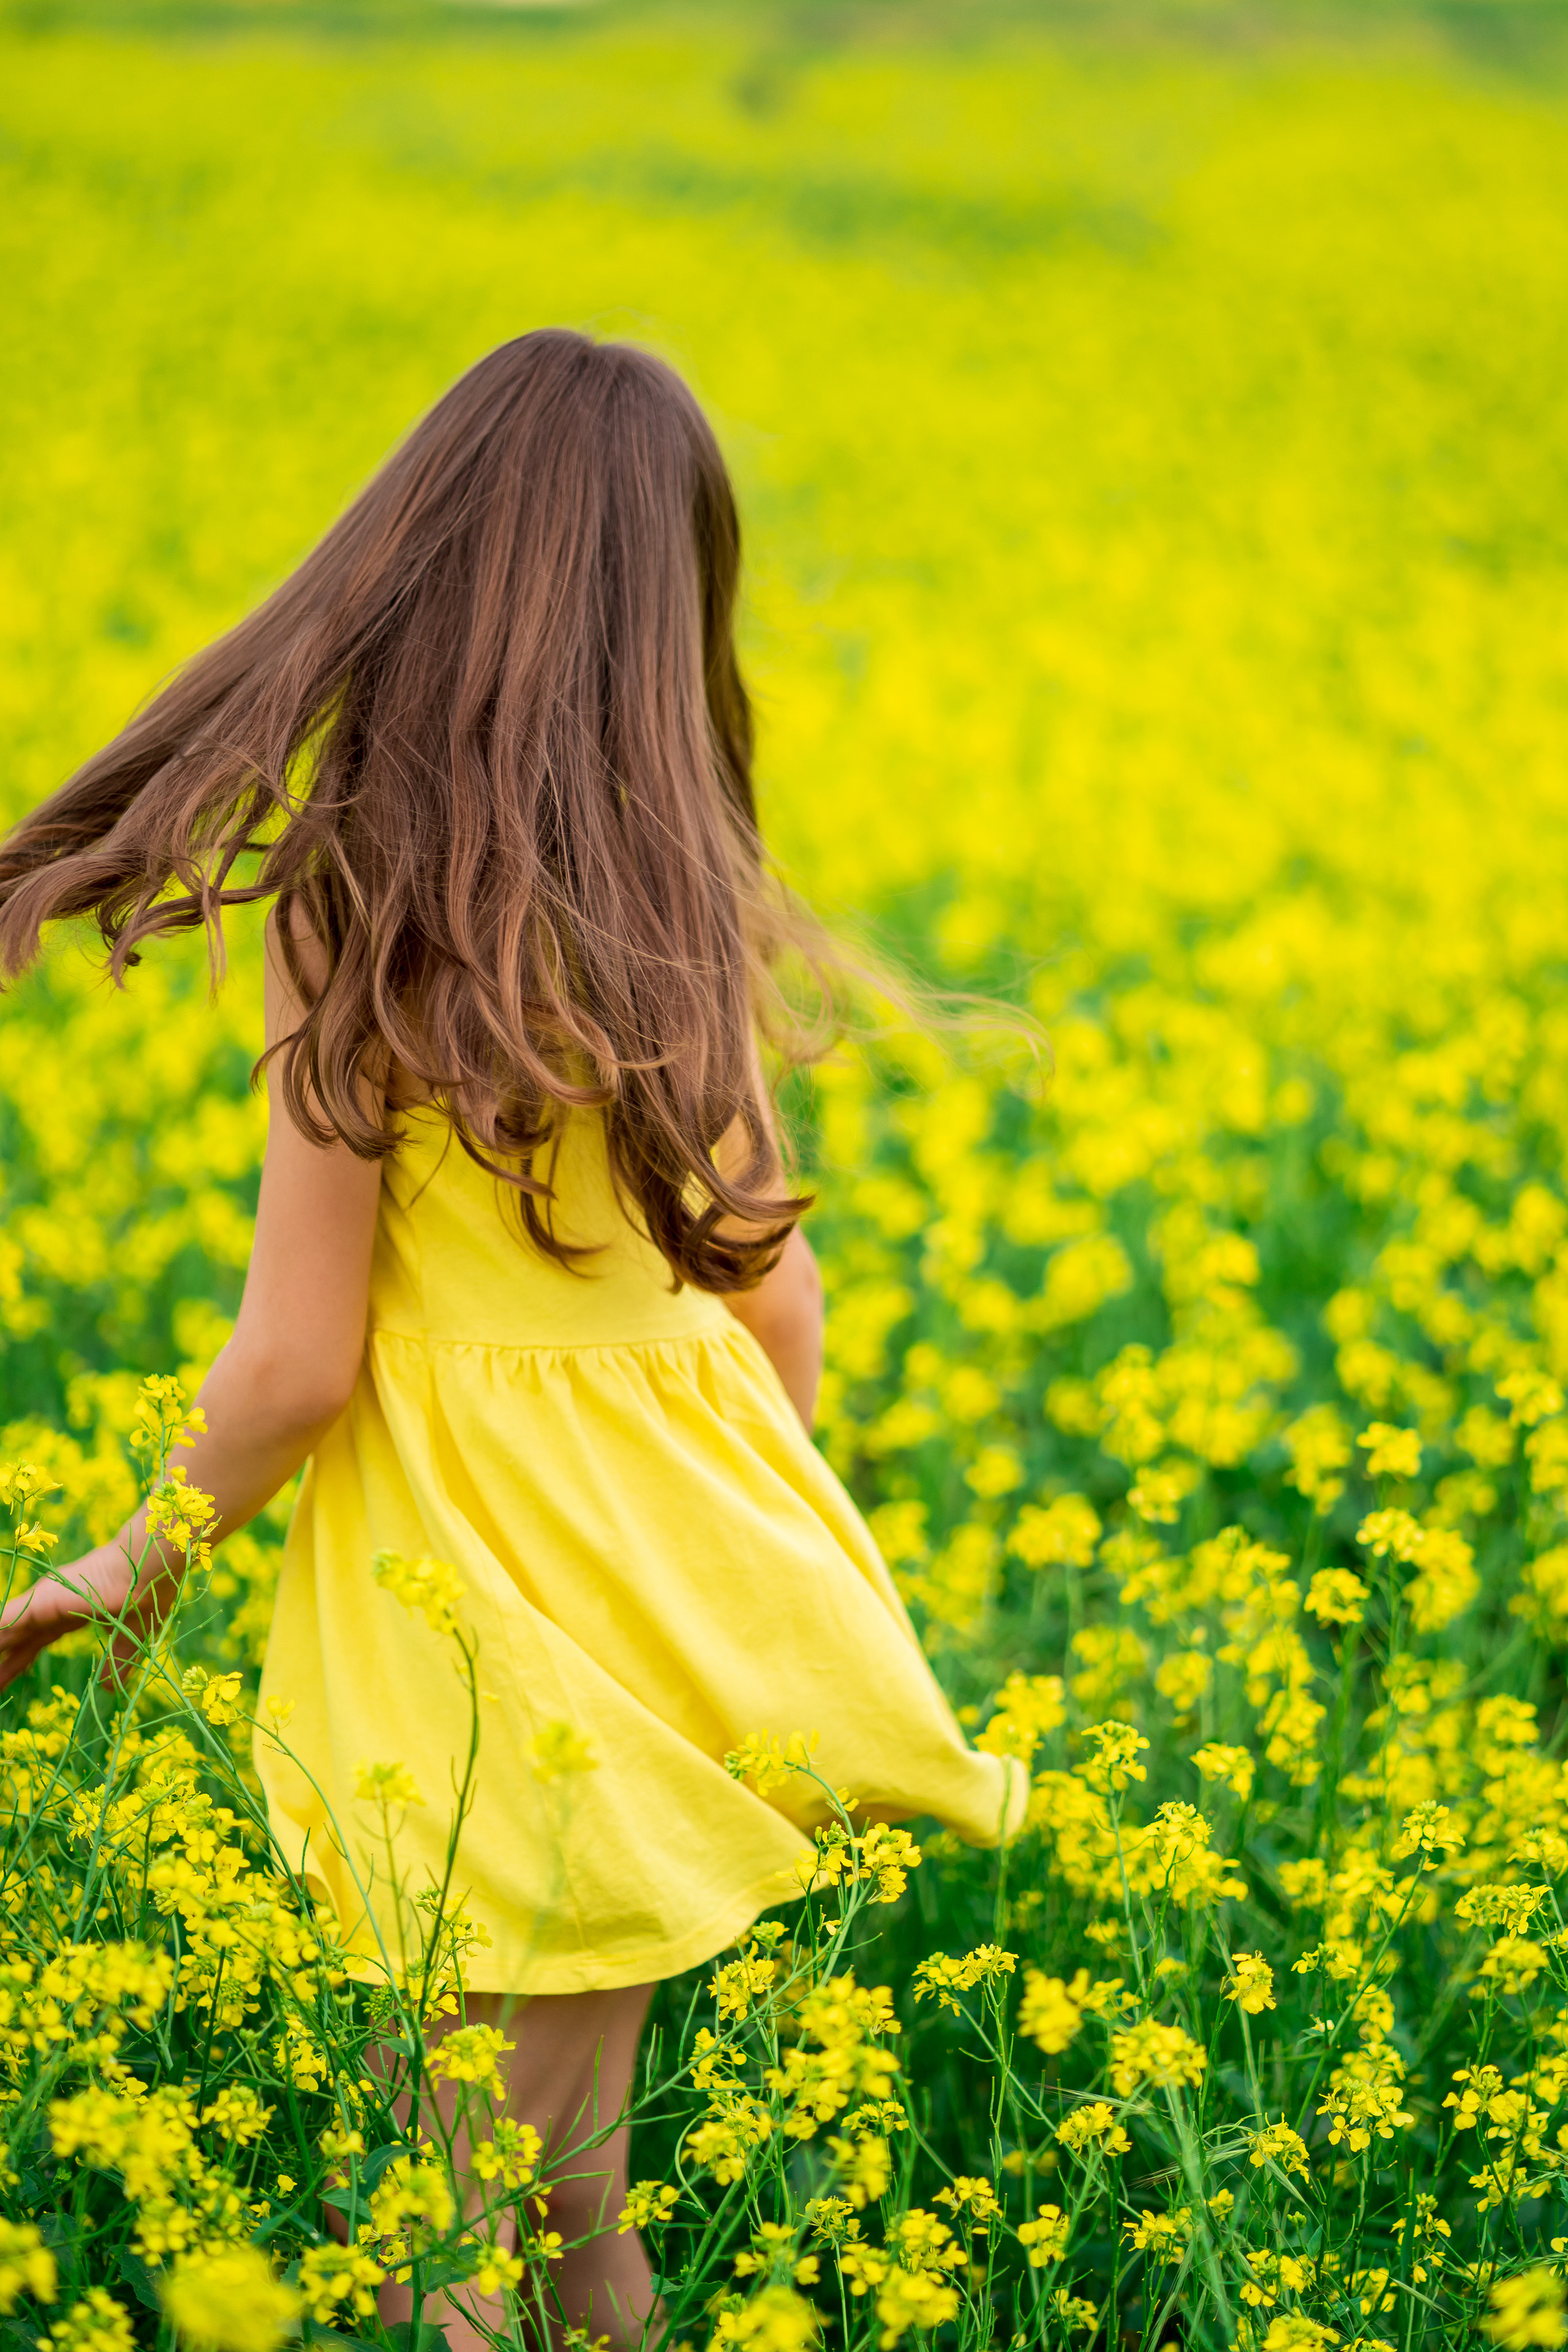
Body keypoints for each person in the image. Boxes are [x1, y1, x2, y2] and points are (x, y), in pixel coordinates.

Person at [0, 331, 1022, 2348]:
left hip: (456, 1631)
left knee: (450, 2213)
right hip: (642, 1625)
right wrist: (727, 1583)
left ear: (421, 569)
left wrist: (140, 1555)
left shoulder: (359, 911)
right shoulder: (686, 895)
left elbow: (297, 1363)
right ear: (672, 615)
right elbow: (774, 1292)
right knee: (566, 2200)